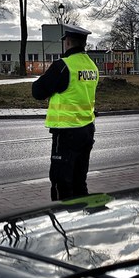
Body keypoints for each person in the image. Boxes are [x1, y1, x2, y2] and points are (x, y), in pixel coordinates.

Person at [32, 24, 99, 201]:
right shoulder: (92, 66)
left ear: (67, 42)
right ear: (83, 44)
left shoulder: (63, 66)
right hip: (86, 130)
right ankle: (81, 219)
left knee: (61, 182)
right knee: (79, 181)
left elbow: (37, 91)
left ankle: (65, 221)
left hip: (67, 132)